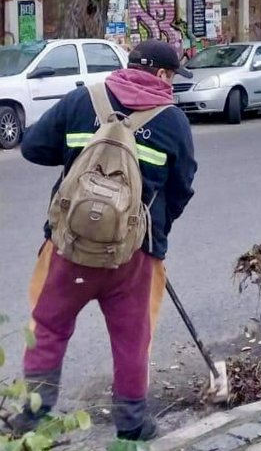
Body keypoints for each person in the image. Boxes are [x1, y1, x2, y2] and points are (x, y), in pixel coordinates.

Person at [8, 40, 197, 441]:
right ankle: (132, 424)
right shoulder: (172, 122)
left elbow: (33, 146)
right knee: (131, 338)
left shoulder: (82, 100)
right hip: (133, 255)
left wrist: (77, 160)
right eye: (172, 76)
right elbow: (182, 188)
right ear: (162, 74)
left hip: (69, 246)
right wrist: (157, 231)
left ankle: (33, 417)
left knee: (48, 328)